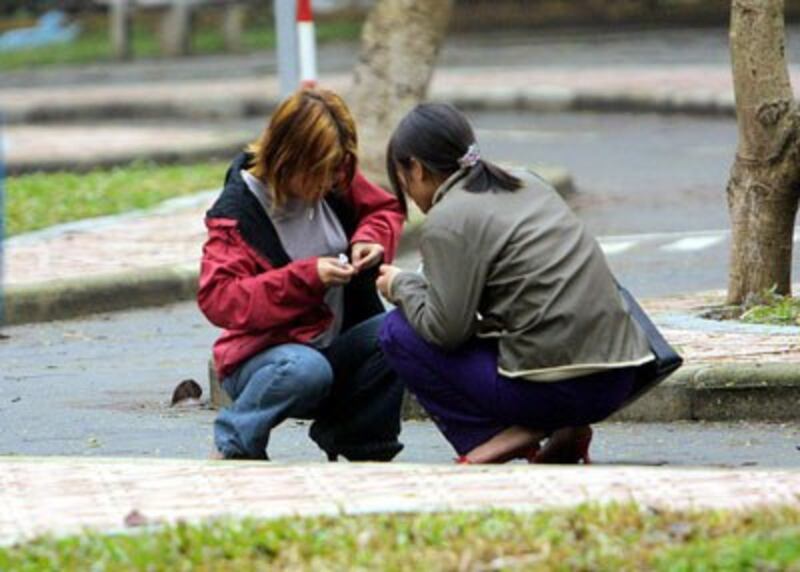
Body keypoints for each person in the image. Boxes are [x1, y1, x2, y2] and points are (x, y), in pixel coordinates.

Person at [376, 103, 654, 464]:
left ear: (415, 167)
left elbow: (445, 331)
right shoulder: (529, 182)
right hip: (620, 379)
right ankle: (566, 431)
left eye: (403, 180)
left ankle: (494, 438)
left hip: (557, 391)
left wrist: (401, 285)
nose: (409, 194)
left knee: (397, 331)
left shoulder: (449, 218)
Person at [198, 88, 406, 461]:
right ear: (288, 158)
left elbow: (385, 209)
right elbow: (220, 299)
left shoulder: (337, 177)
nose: (330, 182)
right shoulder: (237, 212)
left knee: (401, 332)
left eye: (336, 170)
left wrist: (369, 239)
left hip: (335, 349)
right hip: (266, 361)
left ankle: (363, 446)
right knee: (305, 368)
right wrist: (307, 277)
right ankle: (233, 443)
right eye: (320, 172)